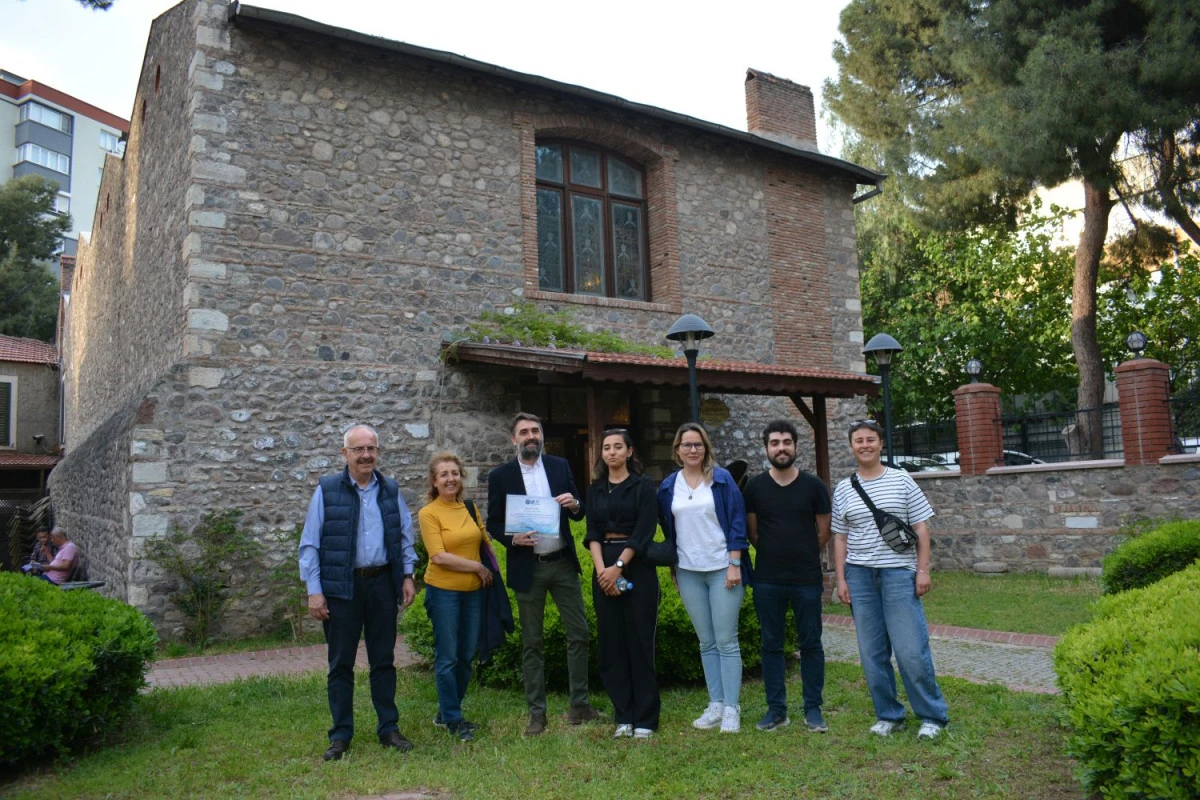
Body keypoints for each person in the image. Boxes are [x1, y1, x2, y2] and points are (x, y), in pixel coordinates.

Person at [298, 424, 418, 761]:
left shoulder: (390, 489)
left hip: (381, 584)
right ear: (345, 454)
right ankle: (340, 735)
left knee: (384, 661)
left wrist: (407, 575)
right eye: (359, 449)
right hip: (341, 588)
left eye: (371, 449)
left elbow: (405, 536)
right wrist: (314, 591)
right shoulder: (327, 490)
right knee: (340, 664)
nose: (366, 455)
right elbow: (309, 544)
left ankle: (388, 728)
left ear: (377, 452)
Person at [832, 419, 949, 740]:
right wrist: (841, 579)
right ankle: (888, 714)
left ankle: (932, 716)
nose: (865, 445)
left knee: (910, 650)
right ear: (851, 446)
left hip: (899, 574)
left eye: (870, 439)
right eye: (859, 440)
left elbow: (921, 528)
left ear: (881, 444)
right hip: (859, 576)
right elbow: (840, 538)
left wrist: (923, 570)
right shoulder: (843, 489)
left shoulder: (902, 480)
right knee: (872, 653)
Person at [486, 412, 600, 735]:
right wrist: (512, 539)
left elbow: (579, 511)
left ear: (542, 436)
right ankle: (537, 714)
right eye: (524, 432)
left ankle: (579, 705)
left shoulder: (559, 466)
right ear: (514, 439)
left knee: (579, 634)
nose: (530, 436)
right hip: (528, 567)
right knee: (532, 643)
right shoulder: (501, 476)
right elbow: (493, 521)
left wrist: (575, 504)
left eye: (535, 430)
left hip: (562, 563)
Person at [656, 422, 748, 734]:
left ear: (706, 448)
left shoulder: (721, 479)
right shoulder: (668, 486)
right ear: (677, 450)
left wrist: (735, 563)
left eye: (698, 444)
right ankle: (716, 704)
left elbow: (737, 521)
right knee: (706, 641)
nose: (692, 450)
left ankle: (732, 707)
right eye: (687, 445)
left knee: (726, 640)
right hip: (688, 571)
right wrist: (673, 567)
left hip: (722, 567)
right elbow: (670, 529)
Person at [743, 419, 832, 733]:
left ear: (795, 446)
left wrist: (802, 552)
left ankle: (813, 709)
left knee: (811, 644)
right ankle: (776, 710)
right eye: (775, 443)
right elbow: (753, 533)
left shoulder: (814, 486)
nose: (781, 448)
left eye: (786, 442)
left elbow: (823, 531)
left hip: (806, 579)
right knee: (771, 645)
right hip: (767, 580)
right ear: (766, 448)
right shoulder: (754, 487)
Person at [585, 428, 661, 738]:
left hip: (636, 565)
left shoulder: (643, 486)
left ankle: (645, 719)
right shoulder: (595, 490)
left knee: (639, 642)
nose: (612, 452)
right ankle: (623, 716)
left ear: (629, 451)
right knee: (611, 644)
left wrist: (618, 567)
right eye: (606, 448)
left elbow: (644, 531)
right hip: (603, 566)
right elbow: (592, 533)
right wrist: (602, 571)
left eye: (618, 447)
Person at [418, 452, 492, 742]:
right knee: (448, 656)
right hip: (443, 592)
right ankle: (452, 718)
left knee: (466, 654)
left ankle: (447, 711)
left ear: (461, 477)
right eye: (444, 474)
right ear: (434, 481)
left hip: (473, 592)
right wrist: (477, 567)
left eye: (455, 473)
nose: (450, 479)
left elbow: (485, 541)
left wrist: (497, 566)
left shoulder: (470, 508)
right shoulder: (429, 513)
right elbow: (438, 556)